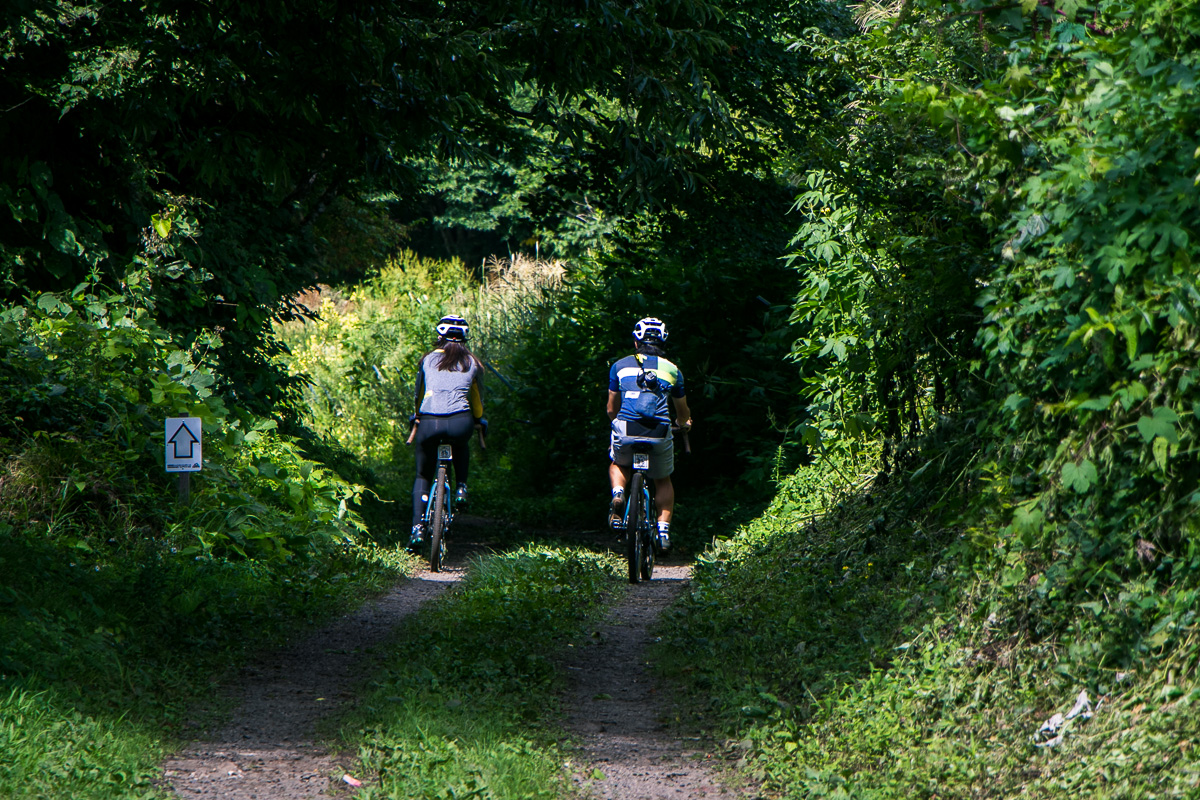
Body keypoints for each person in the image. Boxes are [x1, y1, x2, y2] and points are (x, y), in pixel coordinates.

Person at [607, 317, 692, 552]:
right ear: (664, 342)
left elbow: (611, 409)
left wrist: (619, 424)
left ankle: (618, 493)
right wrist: (684, 424)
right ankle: (663, 530)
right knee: (662, 479)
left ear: (636, 342)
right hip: (659, 432)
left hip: (626, 430)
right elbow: (682, 413)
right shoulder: (673, 370)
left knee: (617, 463)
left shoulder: (620, 366)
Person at [406, 314, 486, 548]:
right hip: (461, 422)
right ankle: (461, 487)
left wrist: (417, 416)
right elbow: (476, 401)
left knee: (422, 475)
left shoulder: (427, 360)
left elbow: (419, 396)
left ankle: (418, 529)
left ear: (439, 336)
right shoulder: (473, 362)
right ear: (465, 337)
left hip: (430, 423)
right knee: (460, 444)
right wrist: (480, 420)